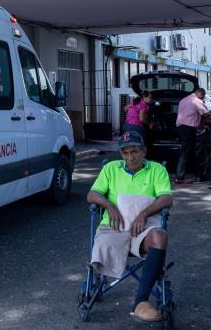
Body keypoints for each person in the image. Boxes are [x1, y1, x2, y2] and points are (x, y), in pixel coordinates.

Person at [88, 131, 172, 322]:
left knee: (160, 236)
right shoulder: (111, 168)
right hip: (114, 228)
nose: (129, 157)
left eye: (134, 152)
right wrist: (109, 205)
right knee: (103, 243)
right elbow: (92, 195)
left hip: (144, 228)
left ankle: (140, 302)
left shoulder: (157, 169)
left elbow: (166, 198)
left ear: (144, 151)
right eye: (125, 153)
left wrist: (143, 214)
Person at [174, 88, 210, 184]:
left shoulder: (183, 100)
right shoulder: (196, 101)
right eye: (203, 97)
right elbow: (206, 114)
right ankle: (180, 177)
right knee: (187, 152)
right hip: (189, 128)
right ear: (201, 94)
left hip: (180, 127)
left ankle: (198, 175)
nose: (203, 99)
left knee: (191, 151)